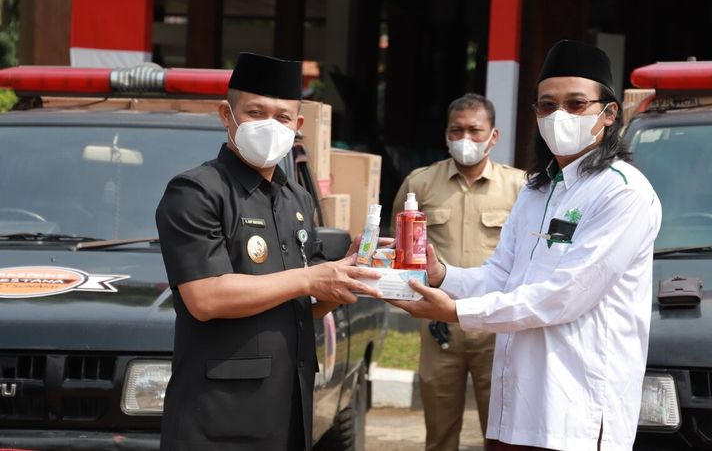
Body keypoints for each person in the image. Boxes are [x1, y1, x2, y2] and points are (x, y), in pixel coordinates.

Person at [390, 40, 662, 451]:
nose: (558, 116)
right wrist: (443, 276)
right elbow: (502, 275)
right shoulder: (536, 190)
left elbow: (562, 297)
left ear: (608, 114)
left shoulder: (623, 193)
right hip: (515, 405)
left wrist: (457, 310)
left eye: (575, 105)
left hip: (575, 413)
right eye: (547, 105)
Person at [155, 52, 382, 451]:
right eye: (255, 112)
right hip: (219, 421)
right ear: (227, 115)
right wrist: (311, 277)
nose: (268, 126)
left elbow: (298, 305)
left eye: (281, 117)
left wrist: (344, 279)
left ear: (297, 126)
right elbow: (205, 297)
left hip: (288, 413)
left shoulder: (295, 198)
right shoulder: (197, 192)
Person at [391, 93, 525, 451]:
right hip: (440, 331)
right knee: (440, 434)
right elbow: (400, 253)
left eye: (475, 130)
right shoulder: (420, 184)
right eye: (457, 130)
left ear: (493, 136)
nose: (465, 139)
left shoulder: (521, 188)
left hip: (496, 331)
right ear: (446, 134)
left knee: (502, 435)